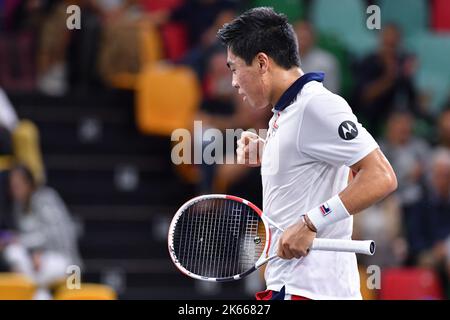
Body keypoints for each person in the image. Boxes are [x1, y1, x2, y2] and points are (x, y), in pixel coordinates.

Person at [217, 7, 397, 300]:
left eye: (234, 68)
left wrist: (311, 222)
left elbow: (381, 177)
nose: (234, 81)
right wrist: (271, 152)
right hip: (297, 286)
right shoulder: (286, 112)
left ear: (262, 62)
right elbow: (318, 166)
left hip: (312, 290)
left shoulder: (316, 105)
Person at [2, 165, 81, 299]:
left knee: (27, 277)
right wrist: (33, 252)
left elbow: (55, 235)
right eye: (12, 186)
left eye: (18, 185)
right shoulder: (18, 206)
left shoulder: (45, 198)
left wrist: (37, 251)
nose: (14, 190)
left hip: (65, 260)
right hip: (37, 262)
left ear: (29, 183)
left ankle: (26, 288)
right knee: (14, 253)